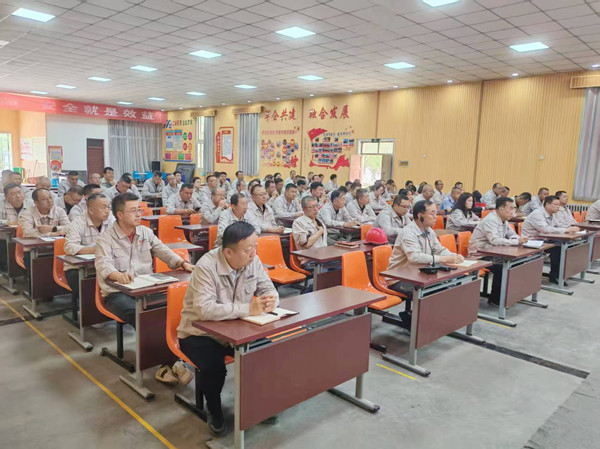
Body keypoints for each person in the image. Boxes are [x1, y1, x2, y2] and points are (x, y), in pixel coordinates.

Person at [178, 221, 278, 436]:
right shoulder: (206, 266)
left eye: (255, 247)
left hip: (236, 329)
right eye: (248, 249)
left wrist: (272, 299)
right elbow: (204, 310)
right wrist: (247, 309)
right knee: (214, 367)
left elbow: (267, 288)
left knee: (265, 353)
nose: (253, 253)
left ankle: (255, 402)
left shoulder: (253, 260)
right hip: (199, 332)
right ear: (228, 253)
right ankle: (214, 409)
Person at [95, 192, 194, 328]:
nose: (138, 214)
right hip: (117, 293)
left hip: (146, 289)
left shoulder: (145, 232)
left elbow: (163, 250)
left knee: (176, 306)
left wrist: (182, 263)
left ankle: (167, 339)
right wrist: (117, 275)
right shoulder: (106, 238)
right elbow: (103, 264)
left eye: (139, 210)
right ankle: (152, 340)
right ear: (120, 215)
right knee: (140, 316)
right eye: (133, 211)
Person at [388, 200, 464, 328]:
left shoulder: (429, 231)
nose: (436, 216)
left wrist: (453, 256)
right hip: (399, 278)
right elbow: (414, 257)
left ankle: (424, 322)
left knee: (447, 290)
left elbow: (438, 249)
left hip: (420, 275)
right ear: (420, 216)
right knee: (432, 293)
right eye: (432, 213)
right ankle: (416, 324)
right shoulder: (408, 232)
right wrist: (443, 259)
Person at [468, 197, 528, 306]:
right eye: (510, 208)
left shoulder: (504, 220)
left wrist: (519, 239)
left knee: (518, 262)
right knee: (501, 268)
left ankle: (509, 296)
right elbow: (494, 240)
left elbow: (512, 234)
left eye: (514, 209)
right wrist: (516, 242)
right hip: (480, 255)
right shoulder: (491, 220)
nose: (513, 212)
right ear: (501, 208)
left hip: (495, 252)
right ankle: (496, 300)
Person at [64, 193, 115, 315]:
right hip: (78, 268)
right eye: (103, 207)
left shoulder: (111, 220)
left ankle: (111, 312)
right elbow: (69, 246)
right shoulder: (78, 223)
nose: (107, 211)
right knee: (86, 286)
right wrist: (97, 249)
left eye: (109, 207)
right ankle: (91, 315)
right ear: (91, 210)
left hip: (104, 265)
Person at [522, 195, 580, 285]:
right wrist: (566, 230)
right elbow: (546, 229)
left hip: (544, 239)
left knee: (566, 245)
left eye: (559, 205)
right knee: (558, 248)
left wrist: (570, 228)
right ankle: (554, 275)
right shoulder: (538, 214)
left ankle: (559, 274)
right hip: (532, 241)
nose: (558, 207)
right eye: (556, 205)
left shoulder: (553, 214)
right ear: (548, 204)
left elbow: (558, 225)